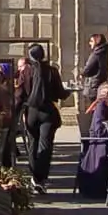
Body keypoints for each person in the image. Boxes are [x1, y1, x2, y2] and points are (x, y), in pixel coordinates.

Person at [18, 42, 69, 194]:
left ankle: (34, 177)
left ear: (30, 56)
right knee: (45, 146)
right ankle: (40, 178)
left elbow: (20, 94)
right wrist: (68, 92)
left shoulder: (26, 72)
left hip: (31, 112)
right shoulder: (52, 71)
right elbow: (60, 93)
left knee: (32, 145)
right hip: (47, 112)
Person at [82, 33, 108, 106]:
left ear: (96, 41)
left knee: (94, 109)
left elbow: (88, 70)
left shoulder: (96, 53)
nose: (89, 43)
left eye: (91, 41)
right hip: (105, 85)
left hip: (95, 86)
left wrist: (82, 73)